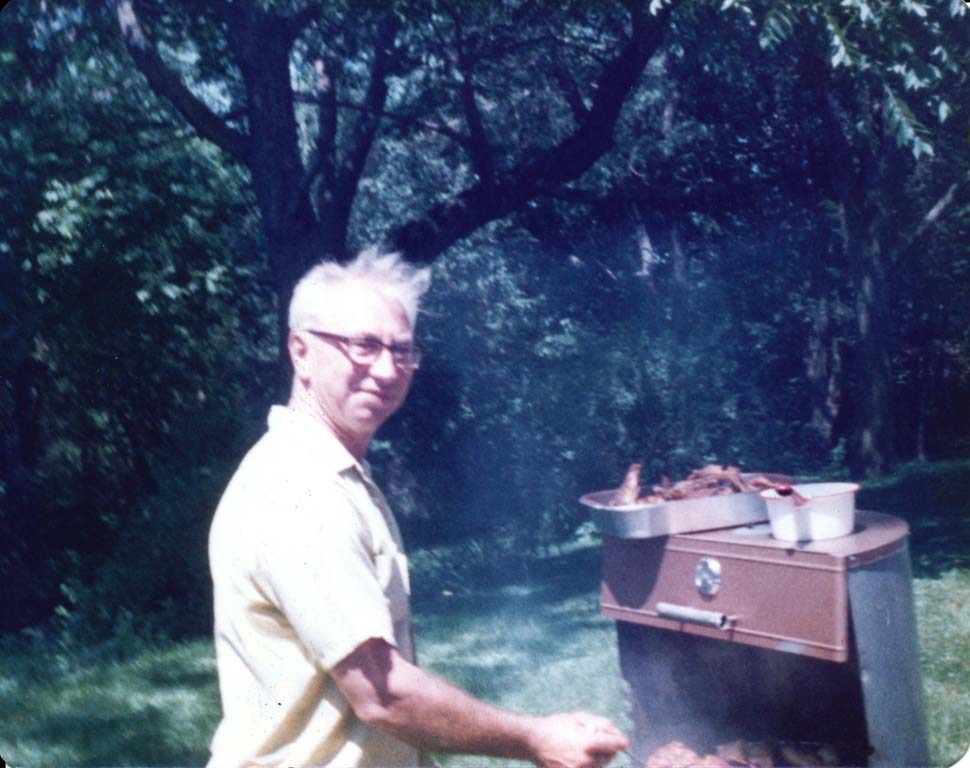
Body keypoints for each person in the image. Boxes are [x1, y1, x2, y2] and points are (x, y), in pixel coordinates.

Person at [207, 248, 629, 768]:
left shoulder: (332, 475)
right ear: (301, 352)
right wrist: (533, 737)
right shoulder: (301, 491)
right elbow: (382, 694)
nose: (387, 369)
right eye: (363, 346)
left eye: (401, 351)